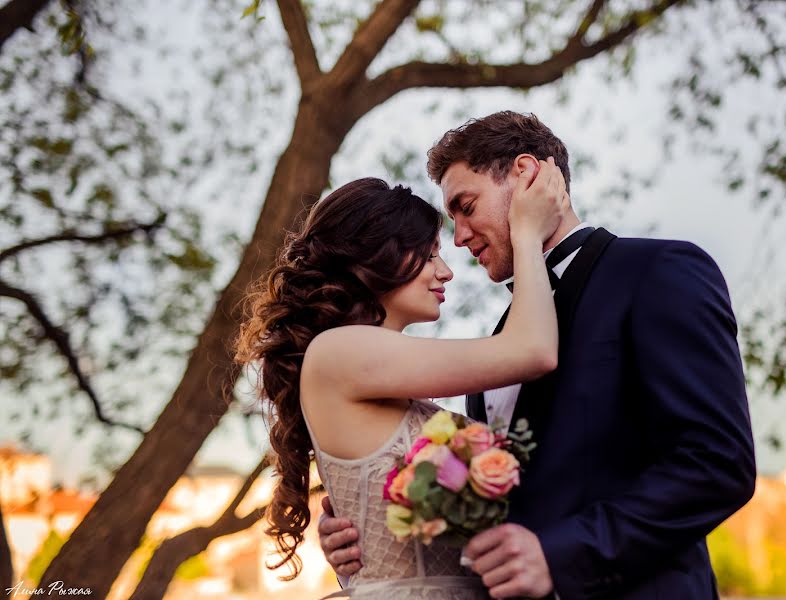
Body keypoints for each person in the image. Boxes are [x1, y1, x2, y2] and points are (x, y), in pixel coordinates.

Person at [319, 112, 757, 599]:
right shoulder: (505, 336)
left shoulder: (656, 272)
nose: (460, 238)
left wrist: (561, 555)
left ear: (525, 175)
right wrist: (372, 529)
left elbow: (717, 464)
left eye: (466, 207)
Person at [234, 168, 569, 599]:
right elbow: (533, 350)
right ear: (376, 255)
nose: (446, 271)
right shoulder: (341, 352)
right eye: (429, 254)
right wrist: (526, 233)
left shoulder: (379, 371)